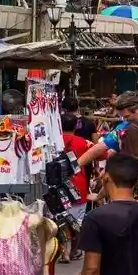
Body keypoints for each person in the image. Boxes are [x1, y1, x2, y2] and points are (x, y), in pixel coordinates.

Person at [77, 91, 138, 173]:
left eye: (127, 116)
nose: (124, 119)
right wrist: (75, 166)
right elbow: (100, 147)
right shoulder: (124, 127)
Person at [60, 112, 92, 262]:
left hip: (57, 185)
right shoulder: (83, 142)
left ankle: (63, 251)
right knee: (77, 221)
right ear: (76, 125)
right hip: (78, 185)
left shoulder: (53, 141)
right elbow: (102, 155)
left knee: (59, 219)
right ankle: (74, 250)